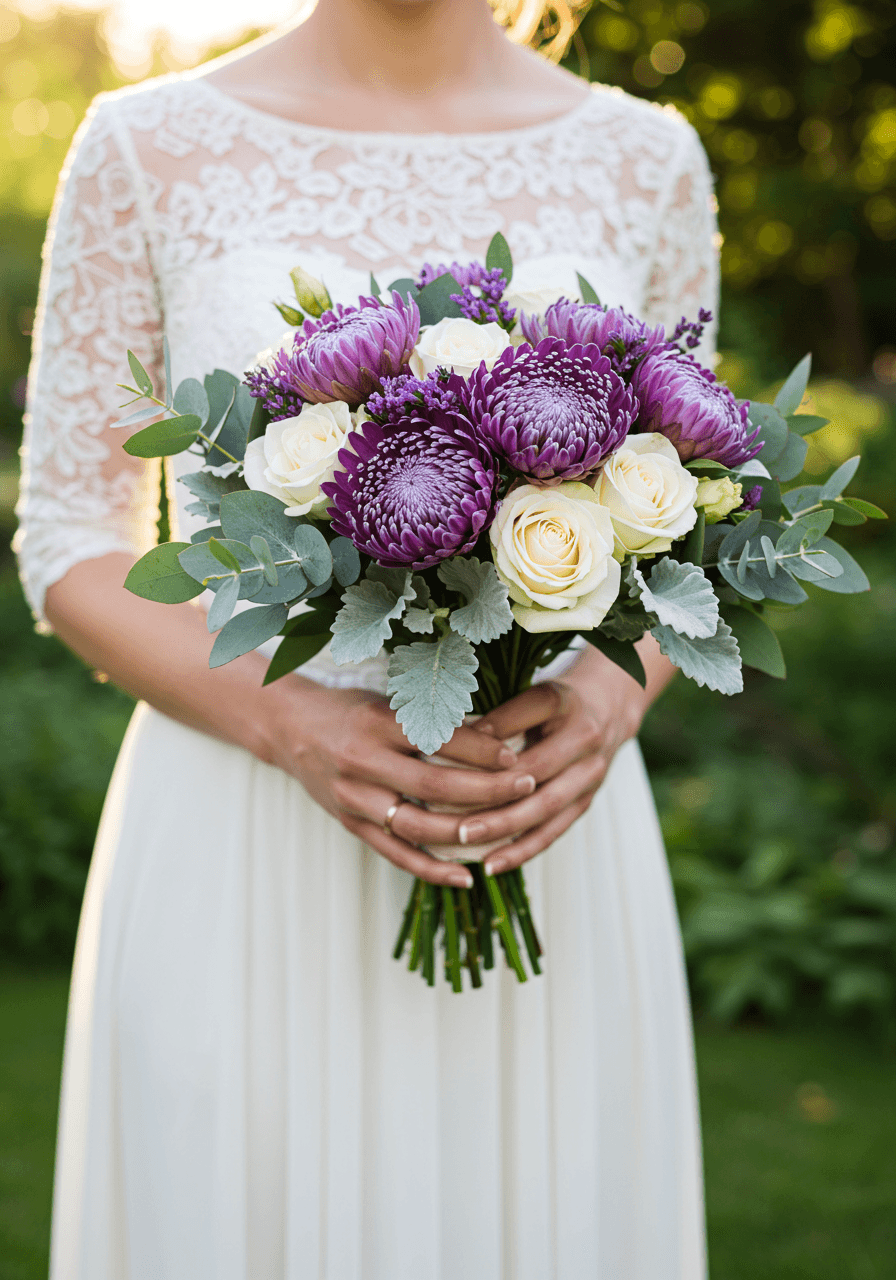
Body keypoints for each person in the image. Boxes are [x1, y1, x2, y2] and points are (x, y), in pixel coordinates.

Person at [16, 1, 718, 1274]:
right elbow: (71, 536)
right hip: (239, 824)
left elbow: (694, 512)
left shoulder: (647, 158)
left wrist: (619, 697)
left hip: (540, 823)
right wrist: (283, 717)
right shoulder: (145, 144)